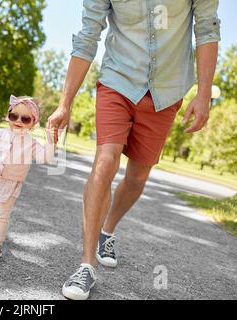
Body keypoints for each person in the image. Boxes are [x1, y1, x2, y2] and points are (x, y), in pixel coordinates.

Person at [46, 0, 220, 300]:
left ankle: (108, 230)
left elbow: (206, 30)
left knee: (138, 176)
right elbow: (88, 36)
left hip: (166, 91)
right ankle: (86, 265)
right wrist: (65, 103)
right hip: (117, 80)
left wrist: (204, 93)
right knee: (105, 160)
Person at [0, 95, 56, 261]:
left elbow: (44, 158)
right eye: (14, 116)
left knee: (1, 214)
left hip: (11, 183)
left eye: (25, 119)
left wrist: (50, 142)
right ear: (8, 116)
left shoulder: (31, 143)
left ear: (33, 123)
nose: (18, 121)